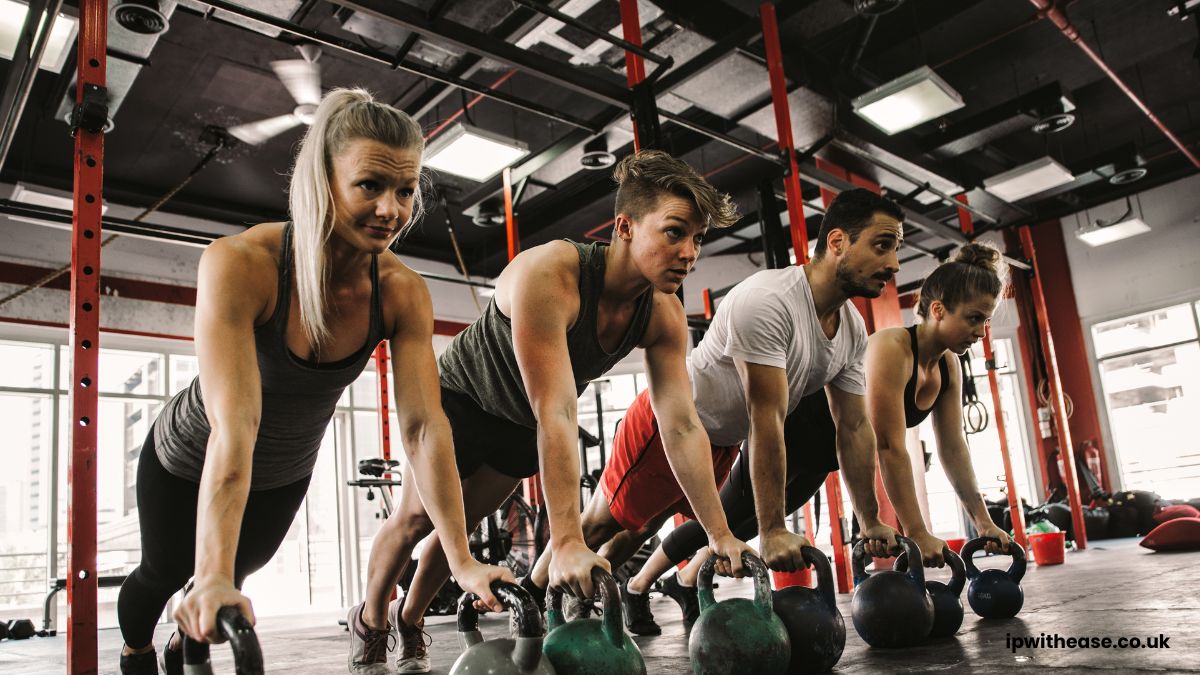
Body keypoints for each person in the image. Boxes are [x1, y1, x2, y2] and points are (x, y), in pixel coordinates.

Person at [116, 89, 512, 675]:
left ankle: (187, 636)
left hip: (282, 471)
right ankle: (137, 653)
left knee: (235, 573)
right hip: (193, 456)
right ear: (322, 181)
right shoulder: (242, 263)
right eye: (370, 186)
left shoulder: (400, 290)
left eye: (406, 191)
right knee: (165, 573)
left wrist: (460, 559)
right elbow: (236, 425)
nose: (391, 210)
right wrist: (212, 574)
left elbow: (425, 428)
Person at [358, 150, 748, 674]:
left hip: (519, 427)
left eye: (698, 239)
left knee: (466, 524)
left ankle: (410, 619)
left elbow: (679, 424)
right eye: (675, 232)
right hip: (461, 402)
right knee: (414, 519)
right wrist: (564, 539)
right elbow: (557, 411)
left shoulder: (663, 315)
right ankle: (372, 622)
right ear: (625, 226)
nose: (690, 252)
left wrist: (718, 530)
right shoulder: (552, 274)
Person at [572, 188, 907, 634]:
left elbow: (853, 427)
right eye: (882, 245)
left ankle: (587, 599)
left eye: (896, 249)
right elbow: (765, 418)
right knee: (599, 525)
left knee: (640, 528)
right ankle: (543, 604)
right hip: (669, 423)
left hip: (720, 443)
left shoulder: (850, 329)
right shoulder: (770, 300)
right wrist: (771, 530)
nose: (894, 264)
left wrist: (869, 519)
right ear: (838, 241)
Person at [862, 243, 1014, 566]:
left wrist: (983, 522)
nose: (981, 333)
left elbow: (953, 447)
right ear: (938, 310)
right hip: (796, 444)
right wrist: (917, 531)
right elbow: (889, 446)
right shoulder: (892, 349)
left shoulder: (948, 365)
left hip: (827, 461)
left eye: (986, 321)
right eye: (974, 318)